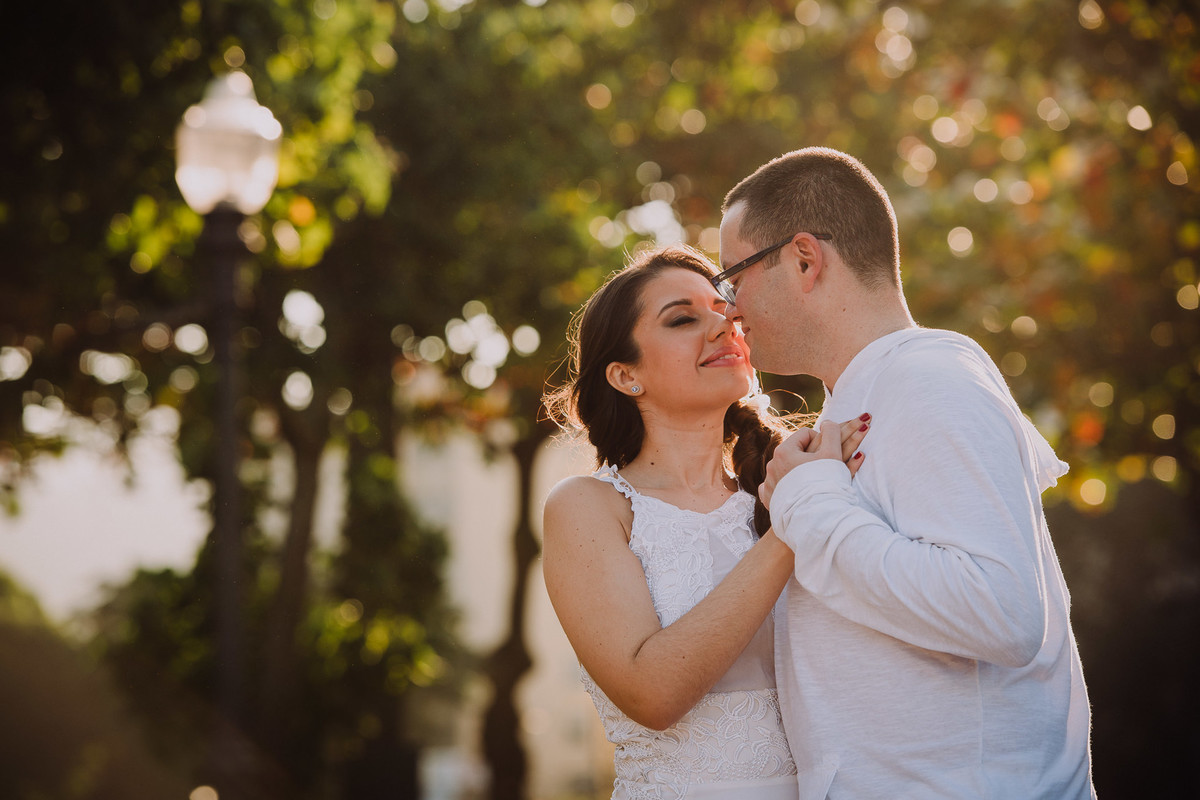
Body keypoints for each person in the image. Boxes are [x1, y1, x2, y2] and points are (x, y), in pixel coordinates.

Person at [715, 146, 1096, 799]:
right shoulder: (865, 399)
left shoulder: (930, 381)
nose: (728, 306)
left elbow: (1001, 612)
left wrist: (809, 502)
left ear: (804, 259)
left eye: (734, 276)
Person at [541, 244, 869, 799]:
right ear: (625, 375)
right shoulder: (589, 506)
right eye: (683, 319)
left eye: (724, 309)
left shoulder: (790, 477)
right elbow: (653, 695)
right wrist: (794, 522)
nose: (724, 326)